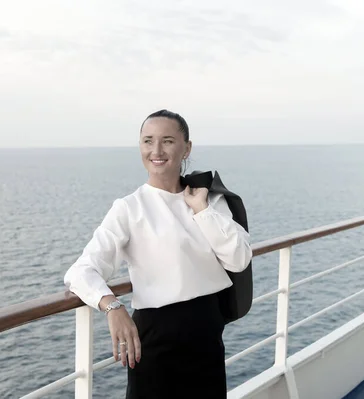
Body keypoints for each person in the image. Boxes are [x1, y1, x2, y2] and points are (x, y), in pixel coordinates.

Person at [64, 109, 252, 398]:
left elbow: (238, 259)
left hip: (206, 333)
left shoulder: (210, 199)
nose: (156, 150)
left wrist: (201, 209)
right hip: (154, 338)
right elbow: (81, 271)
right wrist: (113, 307)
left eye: (167, 141)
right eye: (147, 141)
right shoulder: (129, 207)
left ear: (186, 147)